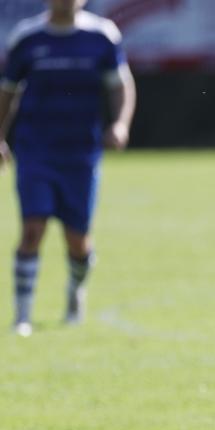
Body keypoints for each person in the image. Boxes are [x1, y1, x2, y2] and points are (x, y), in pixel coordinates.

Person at [0, 0, 136, 337]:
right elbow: (8, 91)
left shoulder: (102, 36)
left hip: (81, 155)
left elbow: (121, 86)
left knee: (78, 240)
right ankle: (23, 315)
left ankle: (76, 293)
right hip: (36, 151)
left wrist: (120, 124)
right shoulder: (27, 37)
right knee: (33, 228)